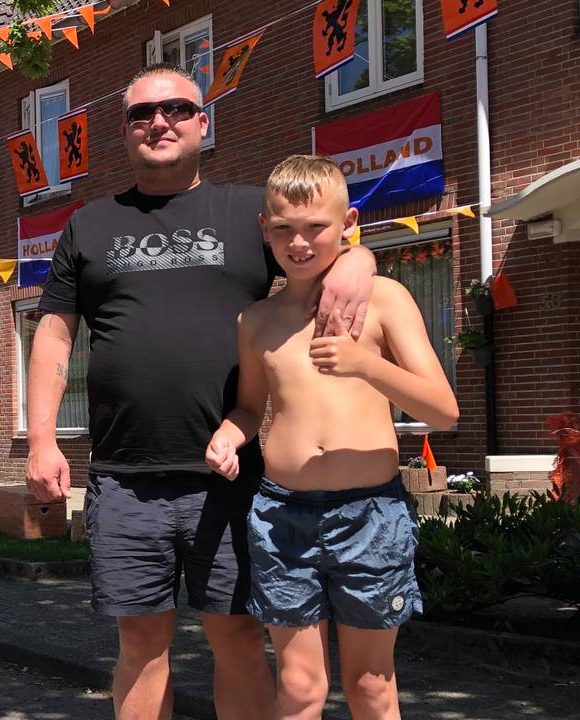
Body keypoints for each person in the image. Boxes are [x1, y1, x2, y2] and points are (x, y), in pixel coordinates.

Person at [24, 64, 379, 720]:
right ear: (124, 129)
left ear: (202, 122)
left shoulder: (249, 211)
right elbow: (53, 335)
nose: (159, 122)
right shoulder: (90, 225)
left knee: (239, 636)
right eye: (142, 113)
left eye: (177, 109)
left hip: (233, 473)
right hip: (125, 479)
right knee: (140, 644)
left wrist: (361, 259)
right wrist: (42, 440)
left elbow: (325, 240)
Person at [205, 155, 458, 719]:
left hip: (369, 514)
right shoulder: (257, 320)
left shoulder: (383, 298)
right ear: (264, 229)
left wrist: (366, 364)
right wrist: (229, 433)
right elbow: (250, 407)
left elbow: (442, 410)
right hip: (280, 516)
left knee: (370, 685)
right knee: (297, 687)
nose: (299, 242)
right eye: (283, 229)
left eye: (316, 227)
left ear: (348, 223)